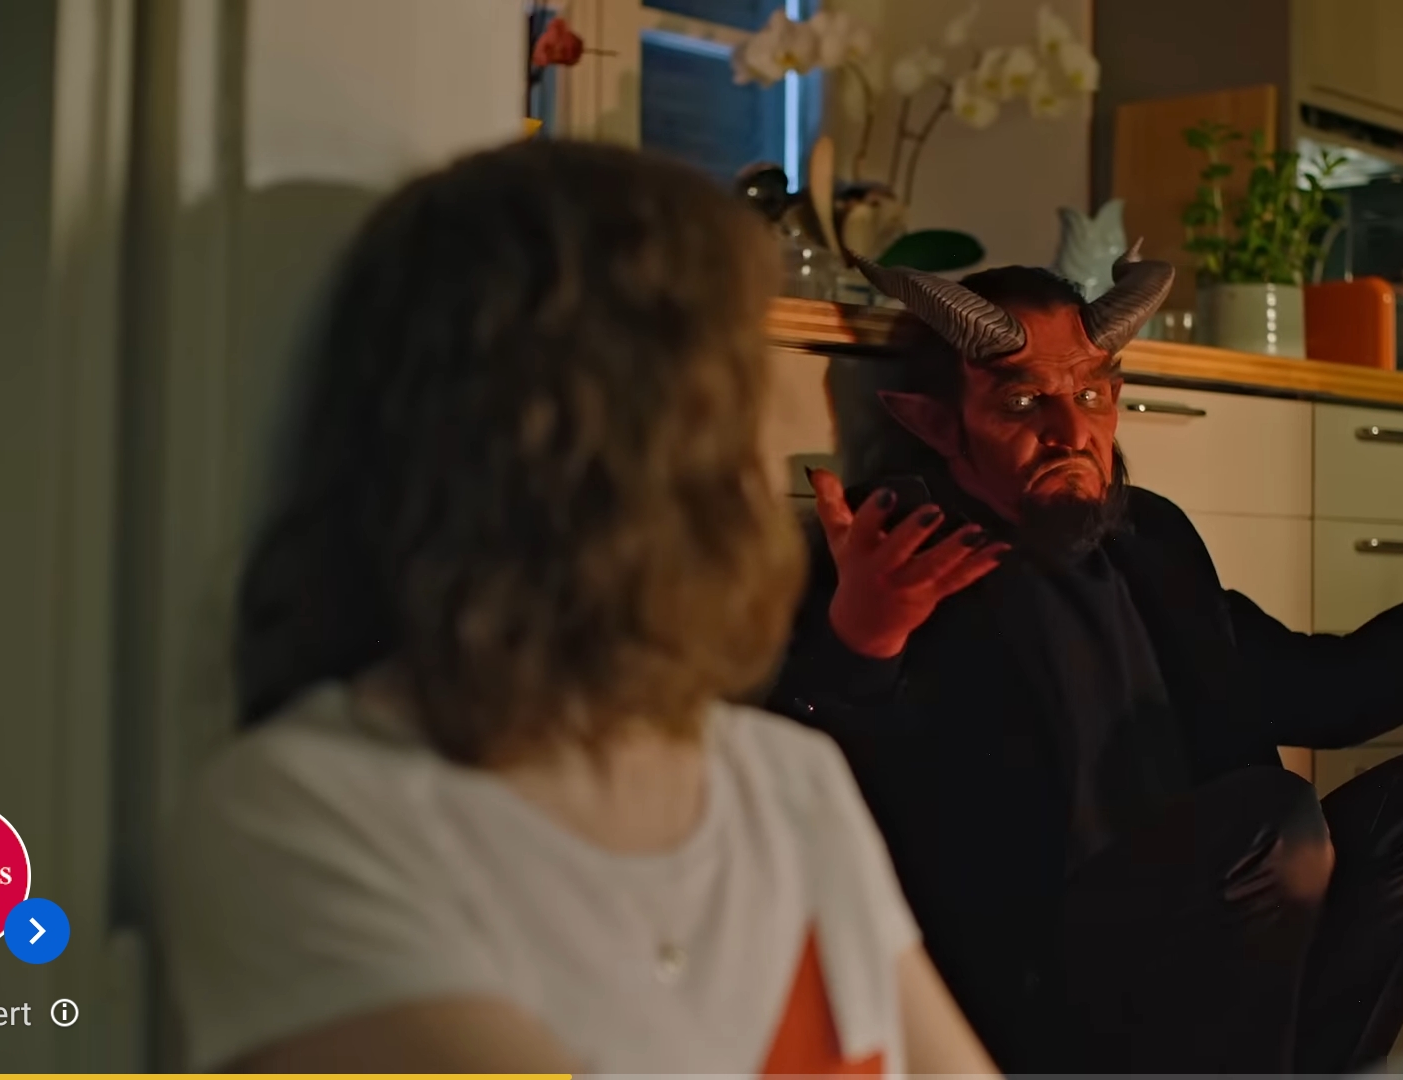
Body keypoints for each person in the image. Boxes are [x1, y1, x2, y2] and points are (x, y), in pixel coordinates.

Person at [158, 138, 998, 1076]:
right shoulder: (313, 818)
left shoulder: (789, 785)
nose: (804, 426)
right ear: (586, 434)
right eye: (740, 377)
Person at [766, 248, 1403, 1073]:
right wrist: (864, 642)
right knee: (1272, 827)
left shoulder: (1151, 537)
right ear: (935, 424)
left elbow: (1319, 690)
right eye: (1023, 402)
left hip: (1222, 925)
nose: (1072, 431)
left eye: (1093, 395)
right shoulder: (894, 554)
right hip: (1038, 974)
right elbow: (807, 782)